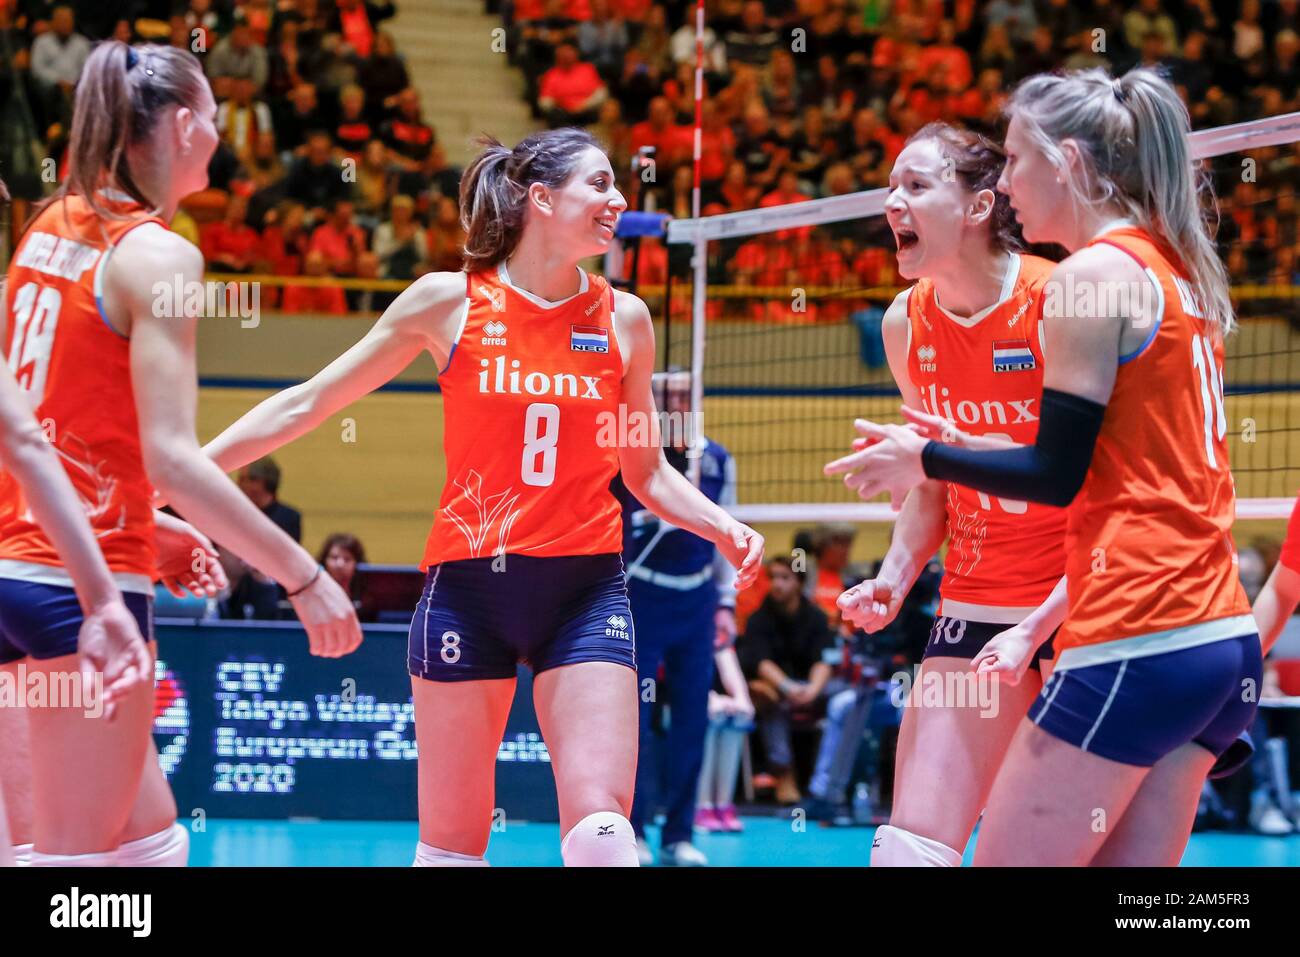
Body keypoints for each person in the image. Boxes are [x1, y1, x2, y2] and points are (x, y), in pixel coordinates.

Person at [197, 127, 764, 867]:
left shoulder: (625, 319)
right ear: (540, 197)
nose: (617, 199)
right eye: (599, 184)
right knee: (452, 850)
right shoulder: (449, 301)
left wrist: (726, 526)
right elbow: (307, 403)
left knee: (602, 837)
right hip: (468, 590)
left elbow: (645, 471)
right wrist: (181, 475)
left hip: (585, 589)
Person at [827, 67, 1260, 866]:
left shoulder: (1081, 283)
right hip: (1214, 634)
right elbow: (1078, 458)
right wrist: (907, 539)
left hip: (1126, 618)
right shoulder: (1168, 266)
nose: (1010, 177)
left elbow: (1057, 473)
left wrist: (925, 453)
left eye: (1018, 160)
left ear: (1064, 162)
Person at [0, 41, 362, 868]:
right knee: (70, 871)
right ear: (187, 122)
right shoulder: (161, 255)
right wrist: (300, 575)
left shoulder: (46, 227)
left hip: (20, 568)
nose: (220, 136)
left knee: (150, 846)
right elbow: (172, 458)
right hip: (78, 593)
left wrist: (148, 527)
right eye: (215, 118)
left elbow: (47, 423)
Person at [832, 122, 1065, 866]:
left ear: (976, 206)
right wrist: (894, 578)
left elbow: (1093, 468)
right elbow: (931, 485)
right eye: (891, 185)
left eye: (916, 185)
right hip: (973, 601)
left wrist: (950, 453)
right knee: (907, 848)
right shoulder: (907, 324)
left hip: (1082, 600)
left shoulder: (1057, 300)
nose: (892, 199)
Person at [616, 369, 739, 867]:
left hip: (697, 602)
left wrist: (725, 605)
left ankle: (679, 834)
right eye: (671, 394)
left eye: (688, 394)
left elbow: (730, 529)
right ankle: (634, 830)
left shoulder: (718, 458)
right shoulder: (635, 454)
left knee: (693, 719)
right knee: (635, 722)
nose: (680, 401)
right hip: (641, 599)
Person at [741, 555, 835, 804]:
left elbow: (824, 660)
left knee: (844, 699)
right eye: (773, 578)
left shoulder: (817, 617)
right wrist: (788, 688)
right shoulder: (758, 619)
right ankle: (784, 775)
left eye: (785, 578)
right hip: (779, 689)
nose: (776, 584)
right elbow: (761, 663)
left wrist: (813, 690)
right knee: (772, 700)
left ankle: (829, 782)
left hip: (812, 689)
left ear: (800, 582)